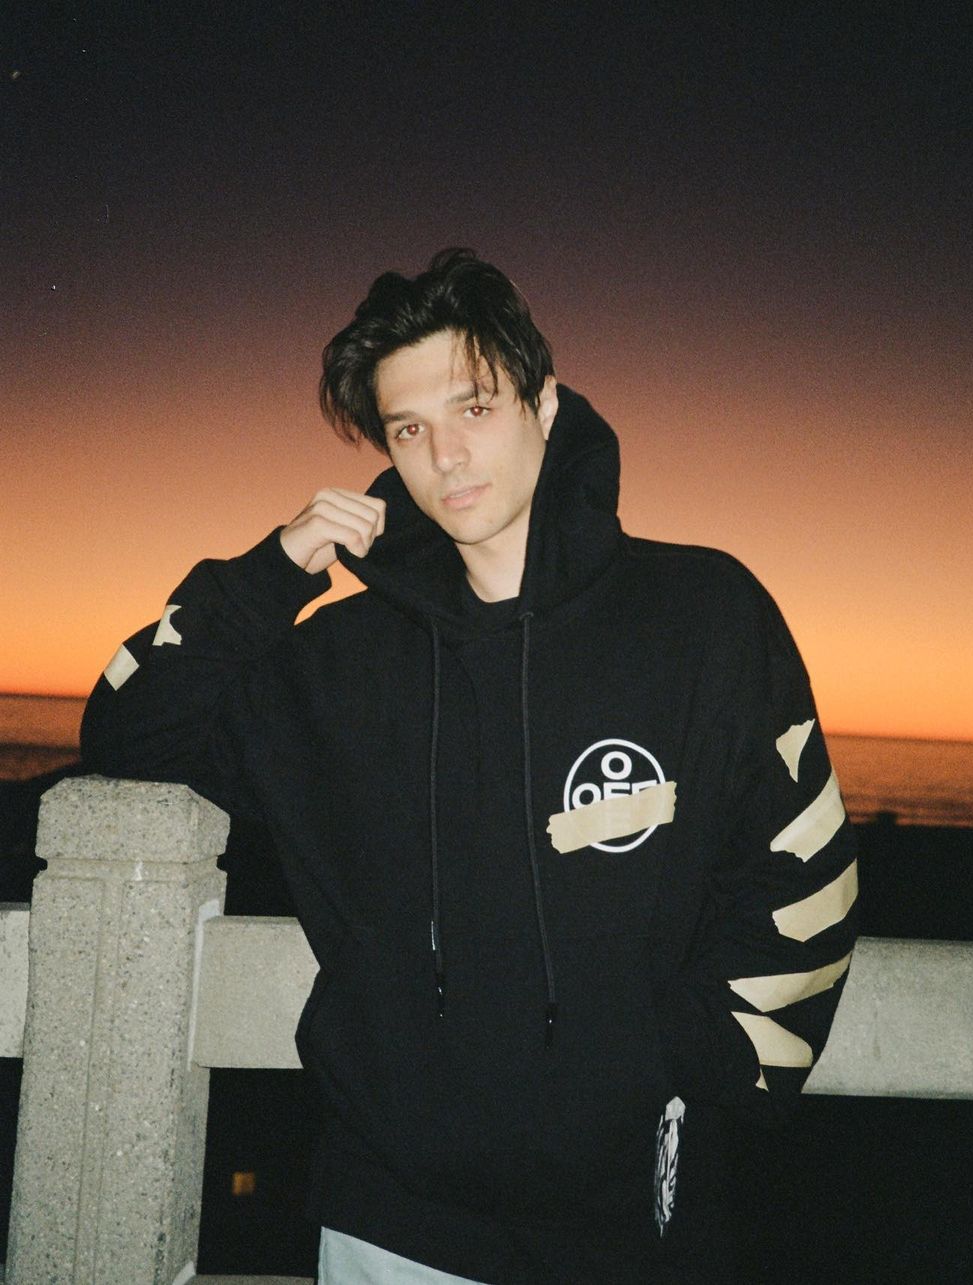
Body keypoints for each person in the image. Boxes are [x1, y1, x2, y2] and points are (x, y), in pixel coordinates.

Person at [82, 248, 858, 1283]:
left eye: (475, 407)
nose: (446, 455)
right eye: (408, 429)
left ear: (545, 404)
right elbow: (126, 728)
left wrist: (675, 1062)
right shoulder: (341, 665)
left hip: (630, 1225)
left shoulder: (703, 617)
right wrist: (271, 572)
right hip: (390, 1224)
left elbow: (803, 872)